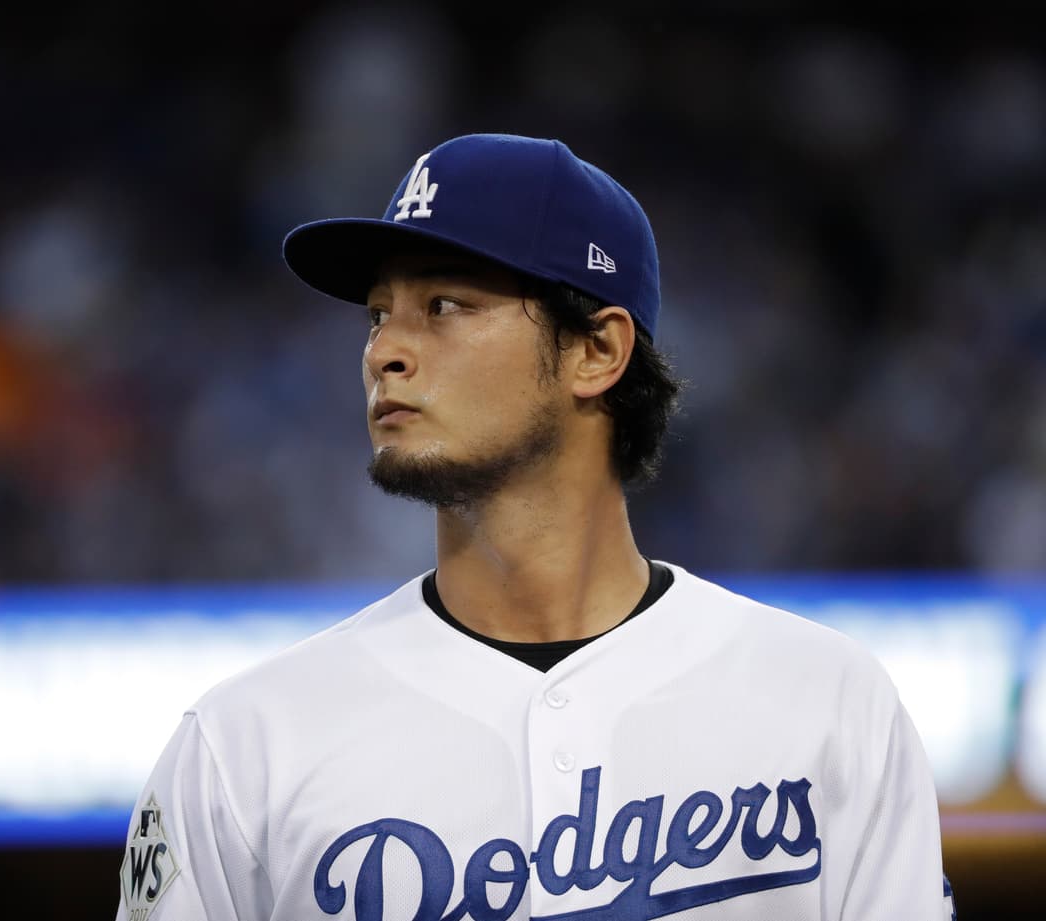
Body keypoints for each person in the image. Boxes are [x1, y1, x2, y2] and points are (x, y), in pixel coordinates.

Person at [115, 133, 956, 920]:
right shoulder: (245, 745)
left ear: (598, 350)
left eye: (444, 304)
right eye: (379, 313)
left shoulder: (828, 705)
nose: (384, 351)